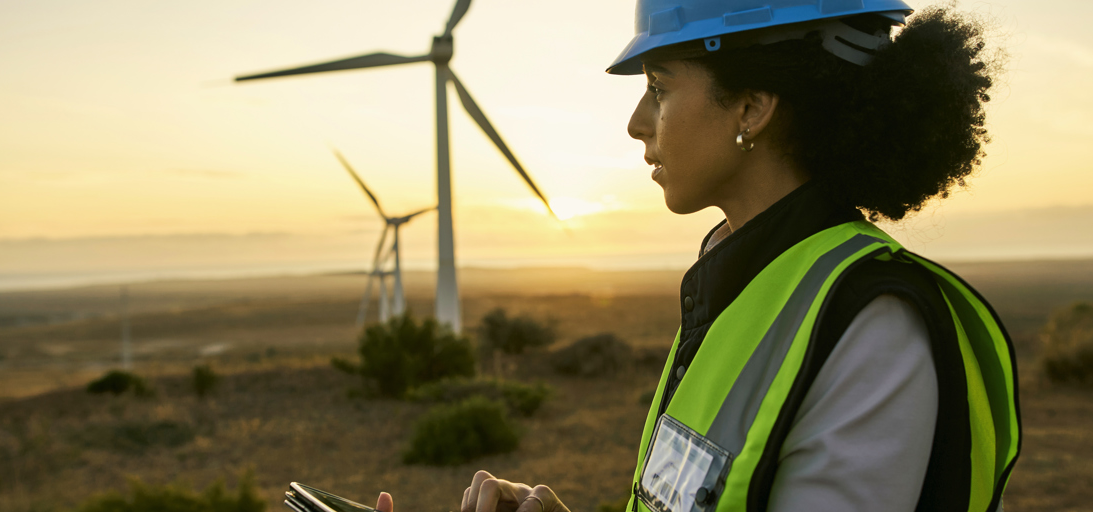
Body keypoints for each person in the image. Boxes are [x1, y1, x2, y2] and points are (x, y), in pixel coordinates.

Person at [380, 1, 1020, 511]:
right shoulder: (744, 287)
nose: (636, 122)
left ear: (751, 105)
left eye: (658, 86)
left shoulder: (871, 325)